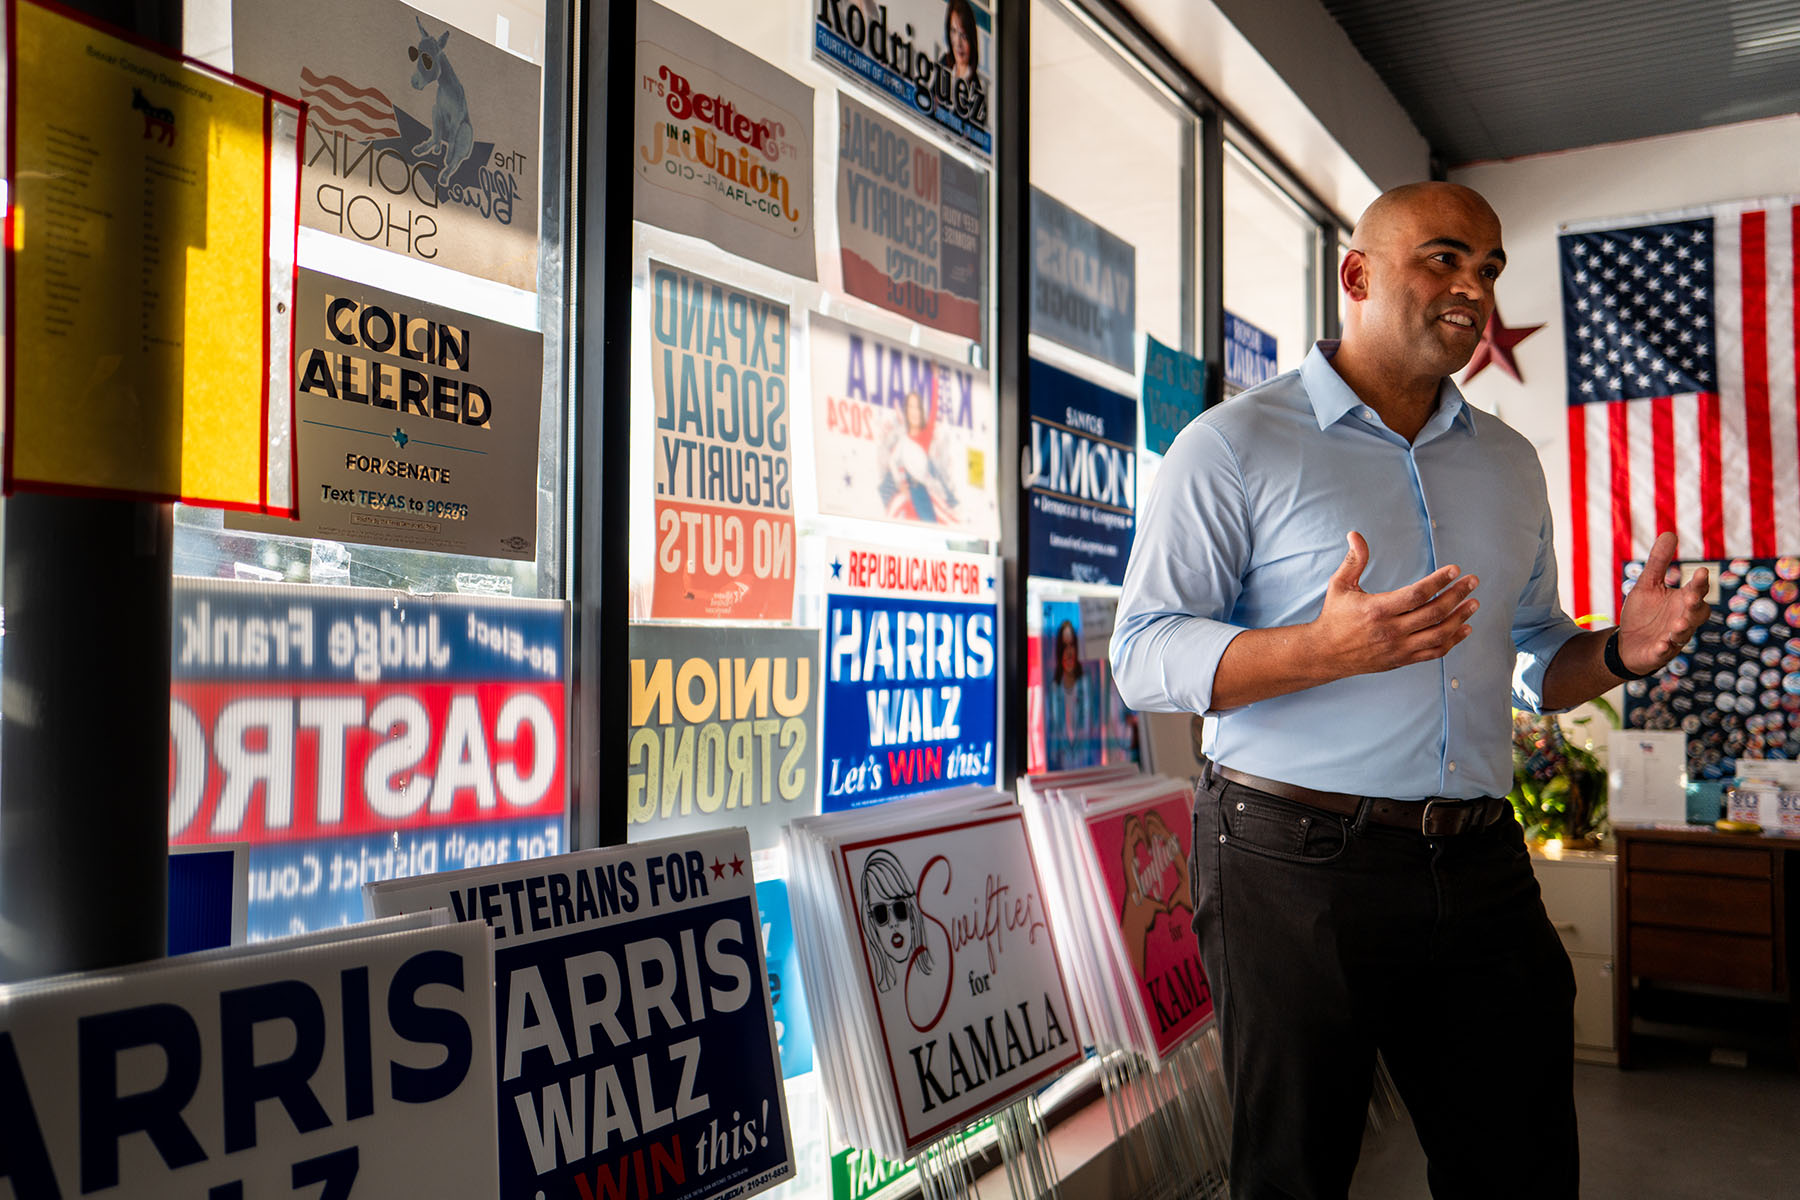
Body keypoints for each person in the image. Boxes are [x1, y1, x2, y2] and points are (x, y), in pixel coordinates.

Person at [1109, 181, 1710, 1199]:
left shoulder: (1511, 464)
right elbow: (1142, 655)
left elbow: (1533, 654)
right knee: (1294, 1173)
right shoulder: (1232, 444)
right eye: (1444, 258)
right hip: (1289, 866)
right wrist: (1321, 650)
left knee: (1521, 1168)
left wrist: (1618, 654)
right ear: (1357, 275)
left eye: (1488, 268)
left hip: (1478, 860)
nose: (1473, 287)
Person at [943, 0, 978, 83]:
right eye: (954, 31)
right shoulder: (944, 63)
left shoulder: (976, 88)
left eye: (964, 36)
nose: (958, 43)